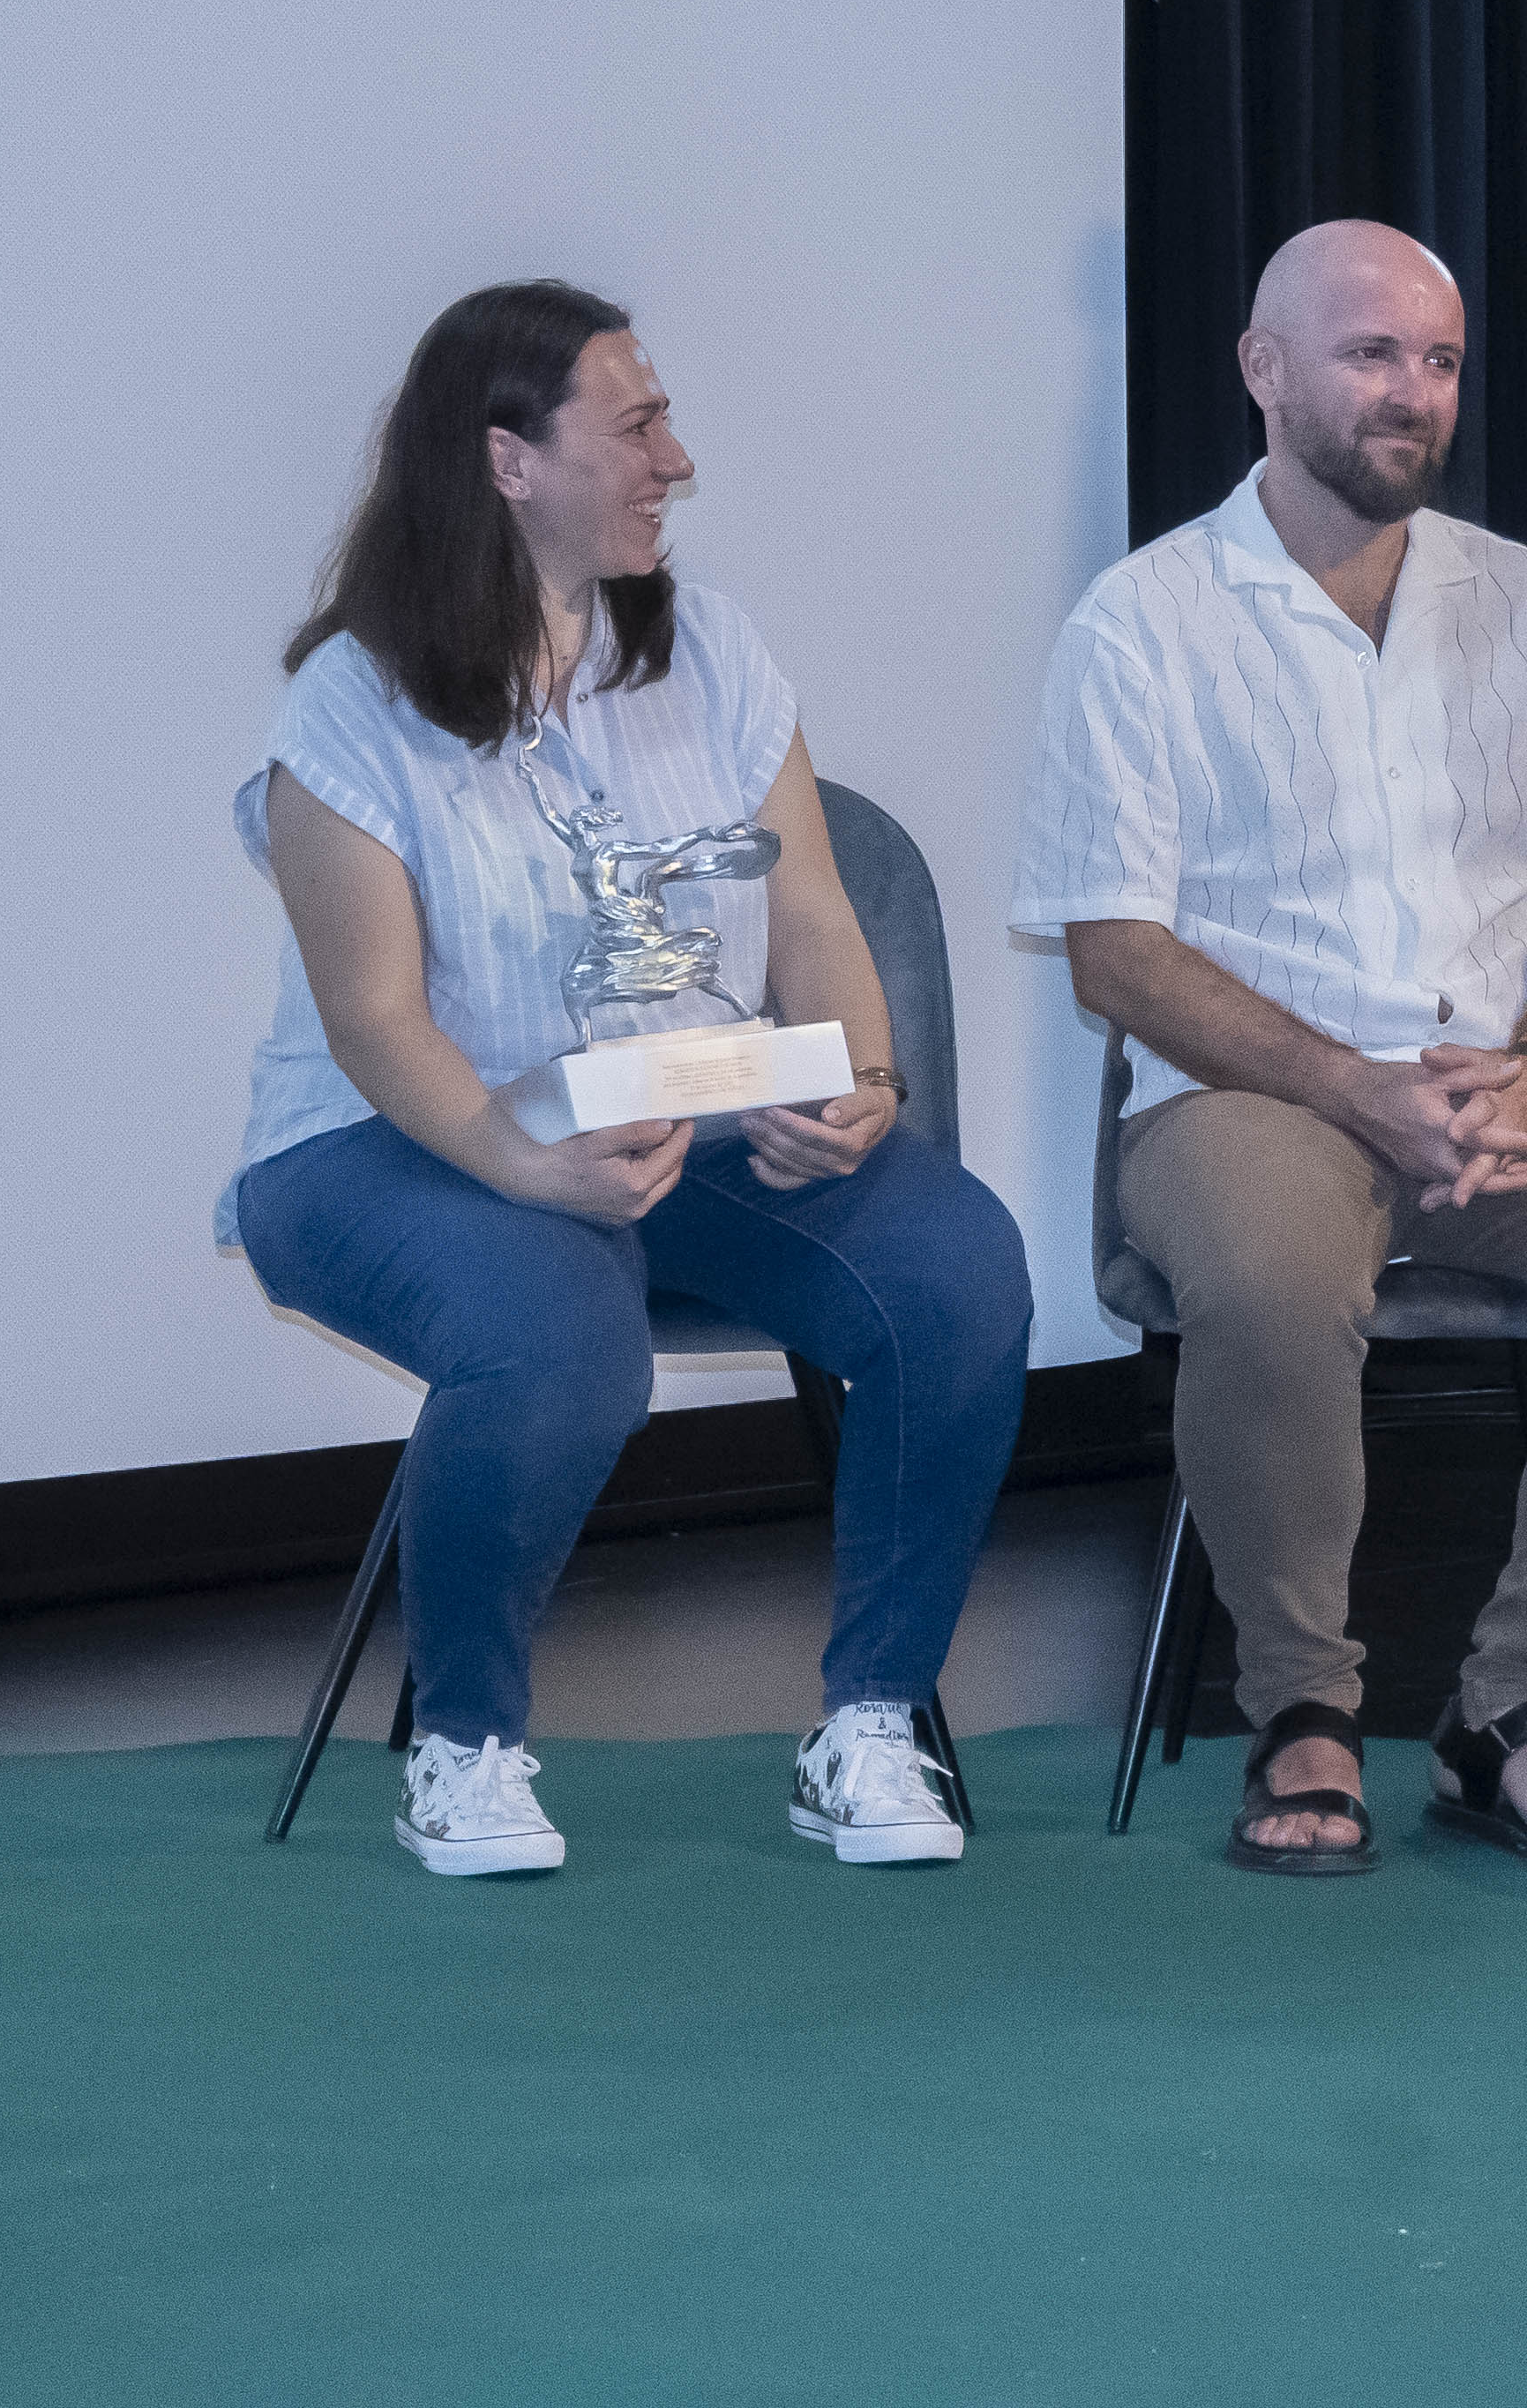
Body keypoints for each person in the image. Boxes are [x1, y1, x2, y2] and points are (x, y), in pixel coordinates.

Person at [229, 281, 1031, 1878]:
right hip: (393, 1146)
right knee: (558, 1328)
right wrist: (520, 1163)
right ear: (509, 460)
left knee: (956, 1268)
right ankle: (463, 1750)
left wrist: (861, 1080)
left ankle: (870, 1726)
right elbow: (375, 1018)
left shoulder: (708, 648)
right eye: (638, 425)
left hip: (678, 1134)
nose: (678, 459)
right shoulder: (352, 702)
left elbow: (814, 913)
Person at [1019, 219, 1527, 1878]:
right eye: (1372, 354)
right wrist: (1352, 1087)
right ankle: (1301, 1706)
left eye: (1439, 361)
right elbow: (1116, 953)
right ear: (1263, 368)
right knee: (1272, 1276)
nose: (1413, 392)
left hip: (1496, 1094)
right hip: (1250, 1098)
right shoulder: (1142, 620)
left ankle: (1505, 1709)